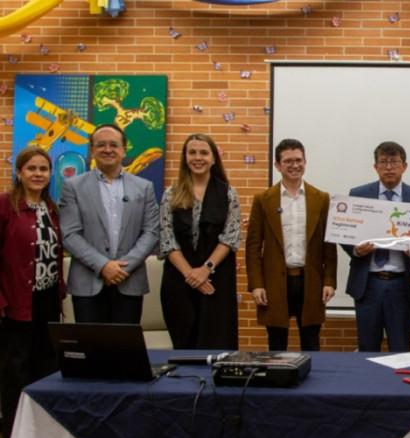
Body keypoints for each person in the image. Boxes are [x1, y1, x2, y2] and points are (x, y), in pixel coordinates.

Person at [60, 124, 160, 324]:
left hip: (129, 281)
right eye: (101, 145)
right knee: (90, 349)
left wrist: (122, 268)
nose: (107, 150)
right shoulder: (73, 187)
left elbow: (152, 232)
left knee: (124, 351)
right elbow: (70, 234)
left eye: (114, 145)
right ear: (92, 150)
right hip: (87, 283)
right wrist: (103, 266)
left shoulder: (144, 187)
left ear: (124, 149)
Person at [343, 141, 410, 352]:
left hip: (402, 285)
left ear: (404, 166)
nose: (389, 167)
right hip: (368, 284)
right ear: (375, 166)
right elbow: (345, 231)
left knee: (401, 349)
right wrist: (356, 250)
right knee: (367, 348)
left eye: (394, 162)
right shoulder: (358, 194)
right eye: (383, 162)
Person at [246, 139, 337, 351]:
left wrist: (329, 281)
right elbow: (252, 246)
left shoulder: (321, 198)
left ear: (305, 162)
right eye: (288, 161)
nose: (294, 165)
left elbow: (329, 246)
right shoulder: (263, 199)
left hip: (310, 281)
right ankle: (279, 381)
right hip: (275, 282)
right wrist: (257, 284)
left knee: (311, 342)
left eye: (298, 160)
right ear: (278, 165)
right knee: (276, 343)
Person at [0, 147, 63, 438]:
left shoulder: (51, 208)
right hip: (15, 302)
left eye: (43, 169)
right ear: (20, 173)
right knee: (15, 371)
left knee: (45, 368)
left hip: (47, 300)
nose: (38, 174)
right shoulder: (4, 206)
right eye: (31, 169)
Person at [157, 134, 241, 349]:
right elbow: (167, 240)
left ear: (214, 158)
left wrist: (205, 270)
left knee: (217, 344)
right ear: (185, 157)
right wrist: (191, 275)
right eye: (192, 152)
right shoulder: (171, 194)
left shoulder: (228, 193)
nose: (198, 157)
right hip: (179, 281)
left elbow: (230, 238)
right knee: (183, 345)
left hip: (216, 281)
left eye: (204, 152)